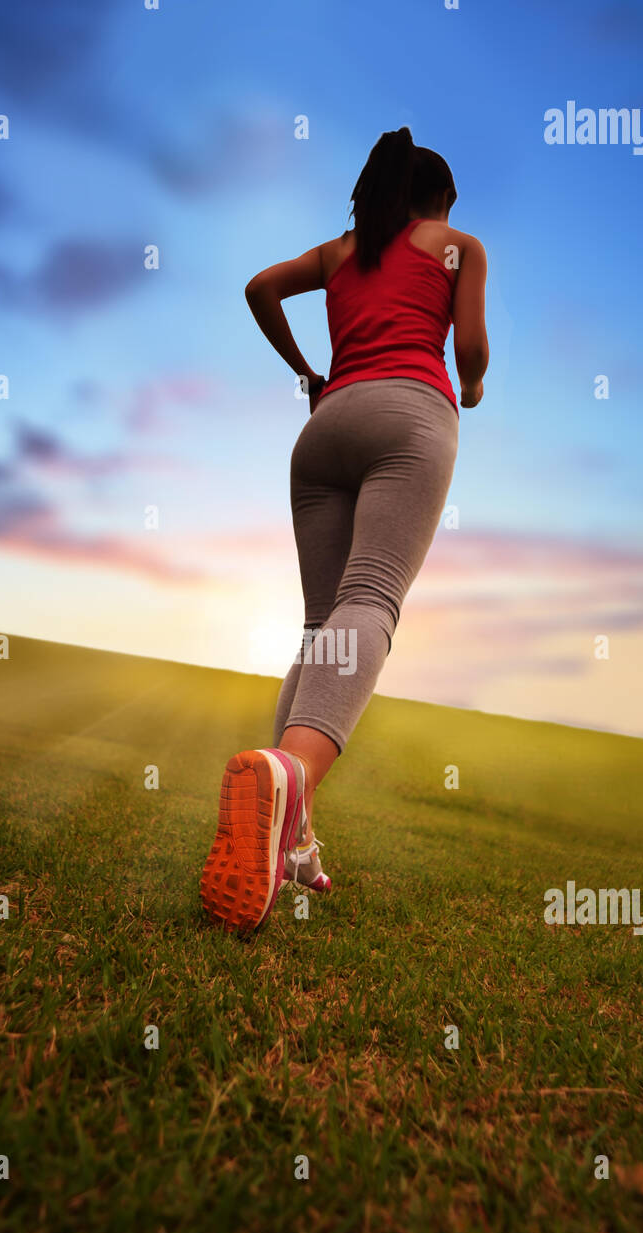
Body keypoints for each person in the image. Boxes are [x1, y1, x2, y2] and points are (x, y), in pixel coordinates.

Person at [200, 126, 489, 932]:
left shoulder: (341, 249)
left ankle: (292, 838)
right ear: (437, 201)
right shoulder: (457, 245)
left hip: (325, 426)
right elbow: (468, 343)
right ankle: (291, 777)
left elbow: (259, 286)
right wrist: (470, 384)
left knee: (320, 623)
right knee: (372, 601)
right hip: (409, 412)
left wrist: (305, 372)